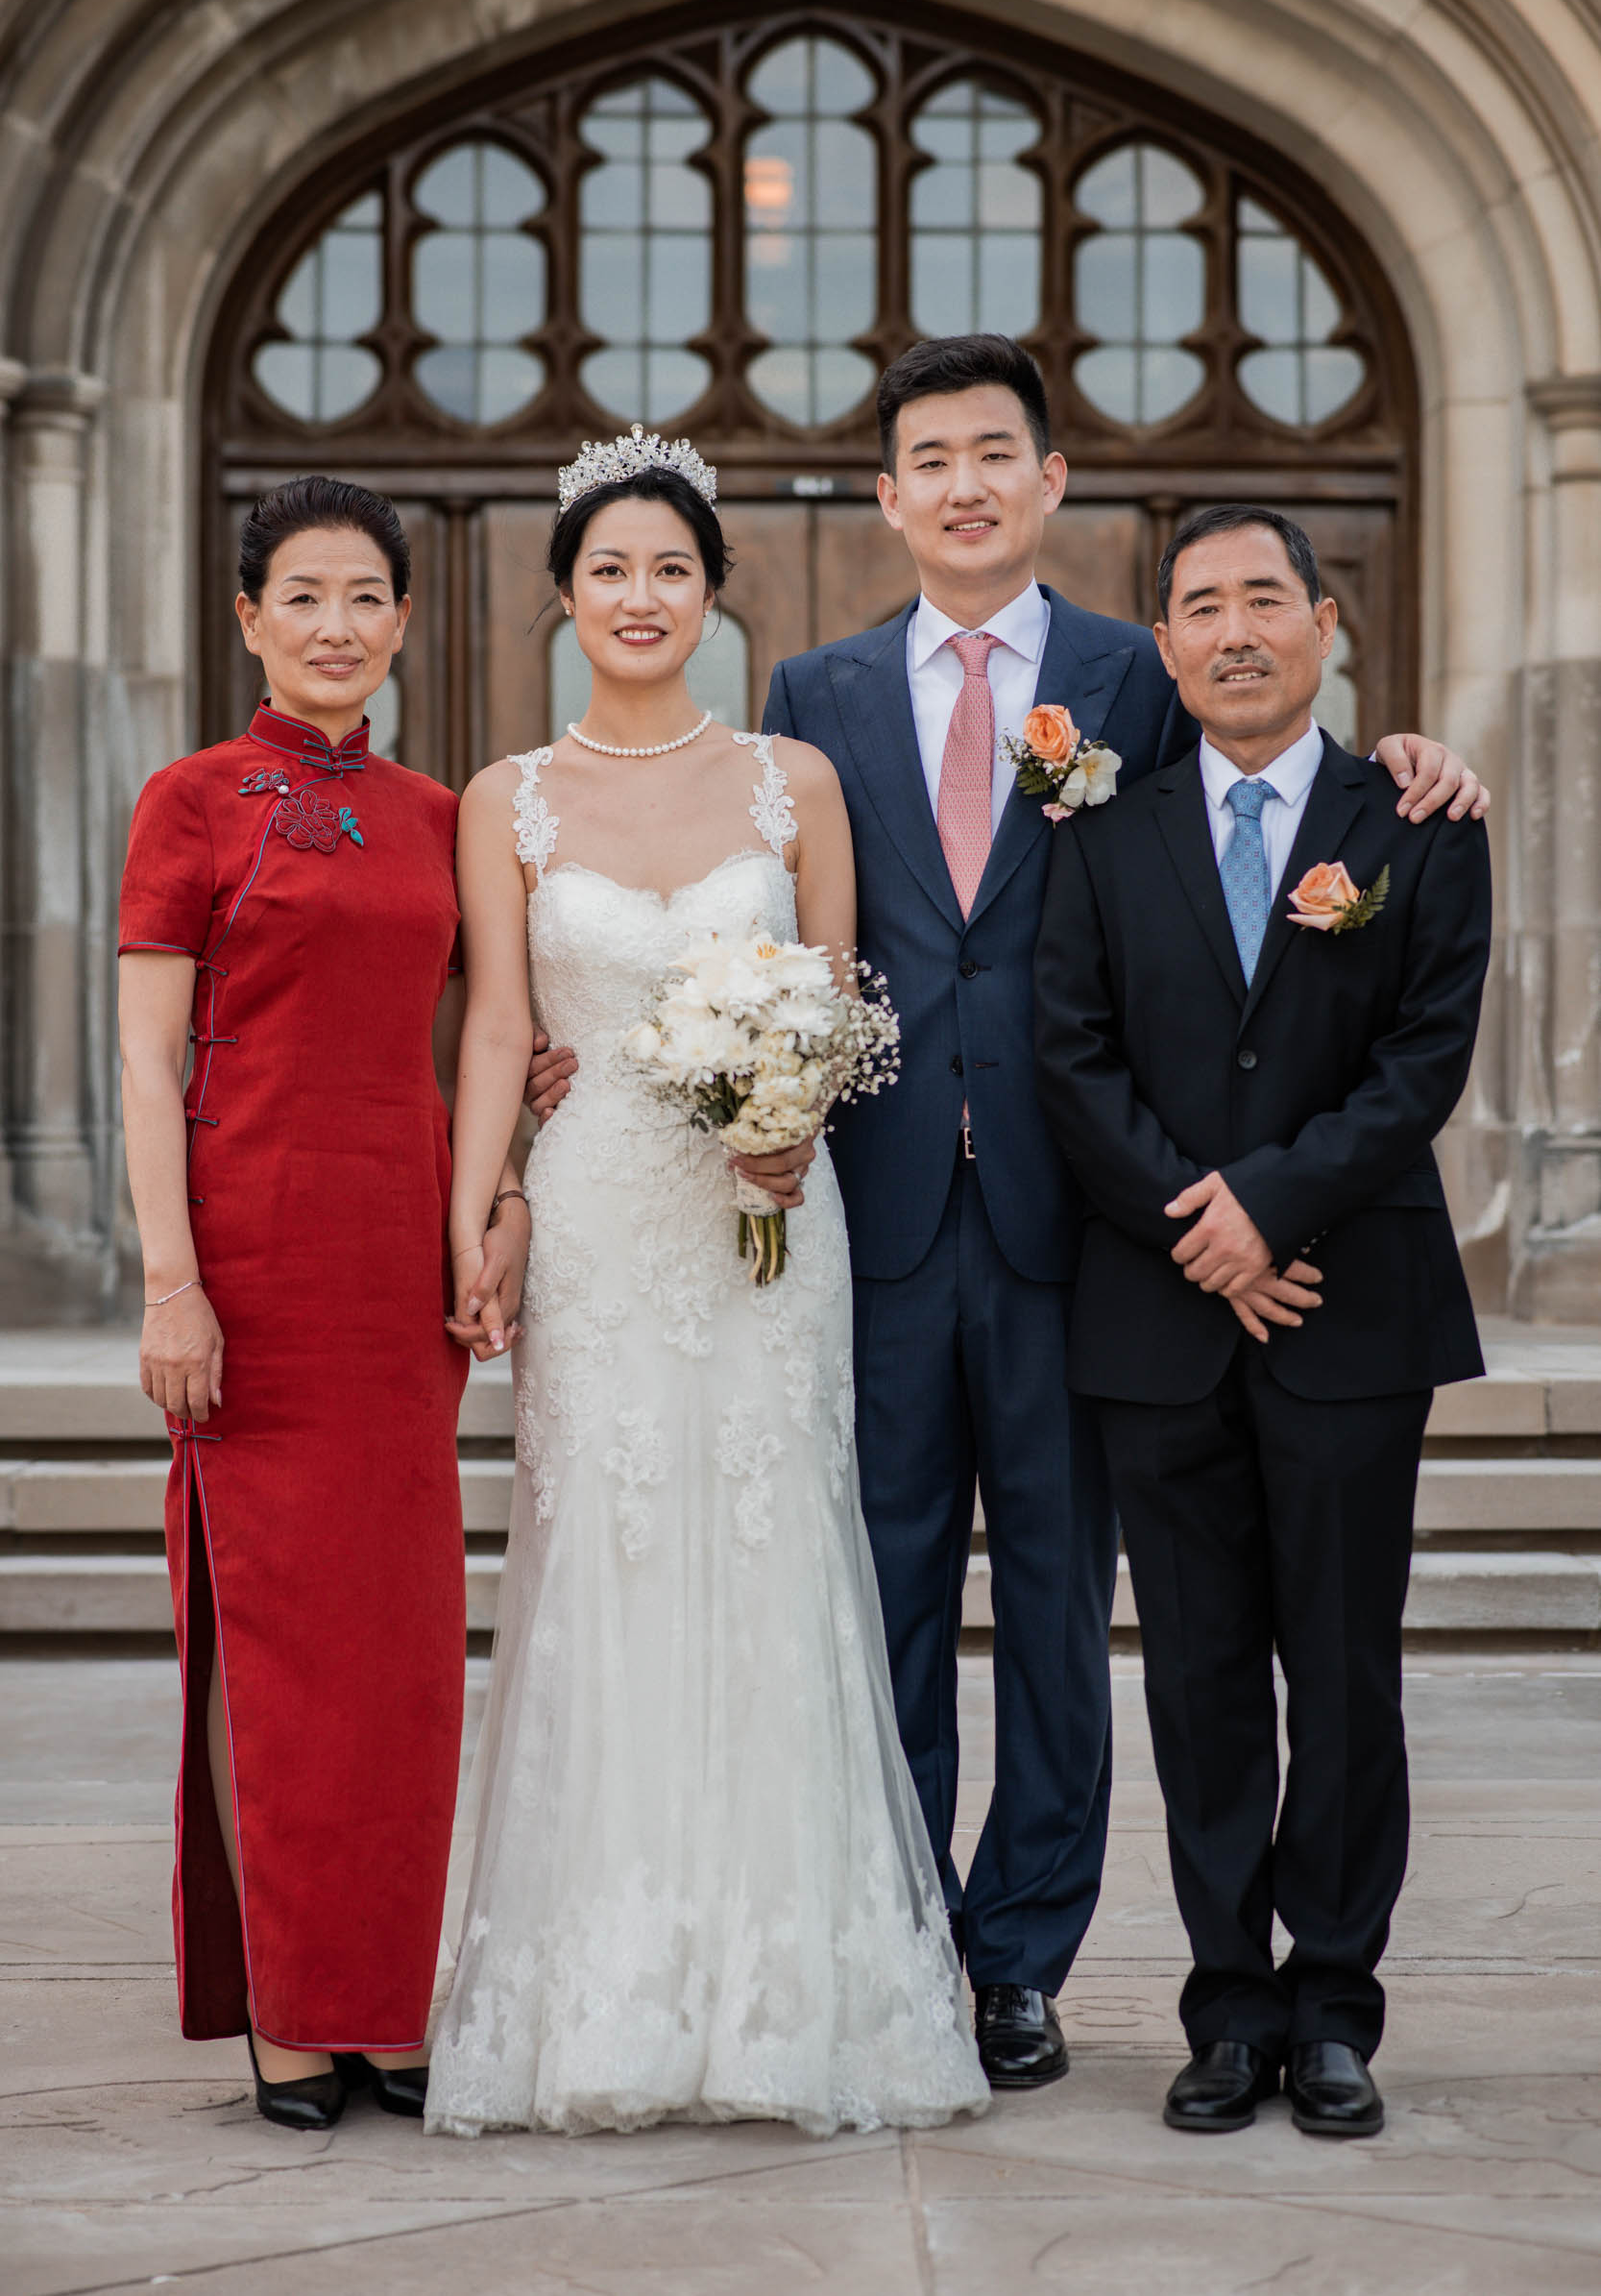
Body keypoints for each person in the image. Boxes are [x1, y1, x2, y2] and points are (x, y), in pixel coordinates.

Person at [762, 335, 1491, 2089]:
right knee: (888, 1596)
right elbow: (758, 905)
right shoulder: (812, 690)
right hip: (882, 1205)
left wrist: (1413, 755)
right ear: (888, 496)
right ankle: (898, 1943)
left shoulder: (1131, 668)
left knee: (1065, 1616)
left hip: (1085, 1222)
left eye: (993, 453)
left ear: (1049, 479)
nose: (964, 486)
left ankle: (1023, 1959)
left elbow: (1260, 795)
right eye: (930, 460)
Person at [425, 428, 988, 2138]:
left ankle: (783, 2001)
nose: (641, 594)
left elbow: (837, 993)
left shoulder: (789, 780)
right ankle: (611, 1992)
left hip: (770, 1222)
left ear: (714, 595)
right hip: (599, 1222)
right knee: (608, 1560)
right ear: (565, 596)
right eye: (610, 568)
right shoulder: (507, 798)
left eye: (671, 568)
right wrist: (483, 1210)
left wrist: (789, 1121)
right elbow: (501, 1025)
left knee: (770, 1547)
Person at [1033, 505, 1492, 2137]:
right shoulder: (1099, 830)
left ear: (1323, 622)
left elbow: (1424, 1059)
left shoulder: (1417, 820)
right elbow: (1070, 1054)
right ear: (1163, 646)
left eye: (1264, 600)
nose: (1236, 632)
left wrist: (1271, 1211)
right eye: (1202, 608)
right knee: (1202, 1676)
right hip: (1160, 1322)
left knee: (1347, 1673)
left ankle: (1337, 2004)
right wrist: (1203, 1233)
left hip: (1352, 1312)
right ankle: (1229, 2005)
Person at [117, 477, 530, 2131]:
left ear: (404, 621)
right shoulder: (188, 801)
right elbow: (145, 1060)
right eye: (302, 595)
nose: (336, 625)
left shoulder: (442, 815)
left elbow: (496, 1037)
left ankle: (382, 2000)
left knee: (400, 1656)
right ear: (249, 618)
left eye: (366, 596)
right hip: (249, 1264)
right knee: (273, 1648)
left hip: (395, 1279)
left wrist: (500, 1199)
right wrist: (172, 1283)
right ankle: (293, 2014)